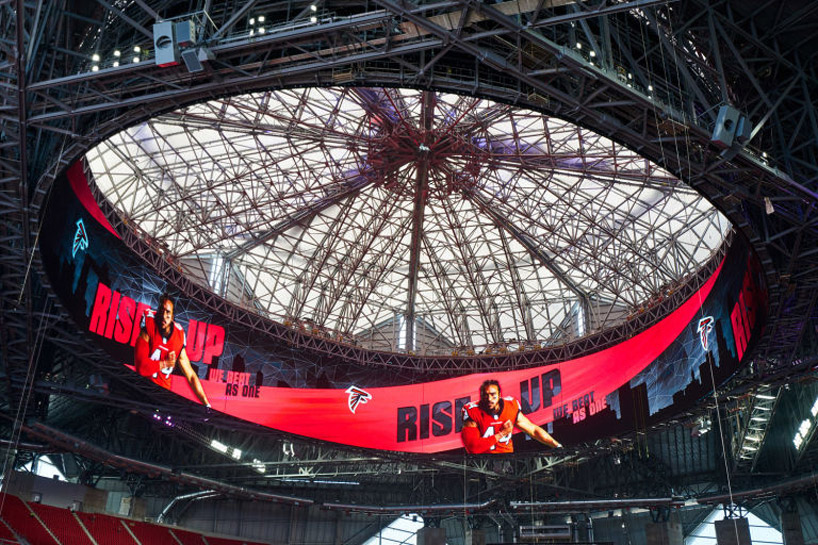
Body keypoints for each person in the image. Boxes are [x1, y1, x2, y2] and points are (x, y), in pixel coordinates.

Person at [134, 293, 210, 407]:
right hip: (142, 390)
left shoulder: (178, 336)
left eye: (168, 312)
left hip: (161, 397)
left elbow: (191, 375)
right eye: (162, 310)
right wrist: (165, 363)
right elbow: (141, 367)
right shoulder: (149, 324)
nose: (164, 315)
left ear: (173, 316)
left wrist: (206, 403)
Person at [461, 379, 561, 453]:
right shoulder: (472, 411)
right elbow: (473, 448)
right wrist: (502, 433)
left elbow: (533, 430)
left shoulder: (511, 406)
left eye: (493, 394)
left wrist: (556, 445)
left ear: (500, 395)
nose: (489, 398)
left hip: (507, 460)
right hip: (483, 463)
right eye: (485, 395)